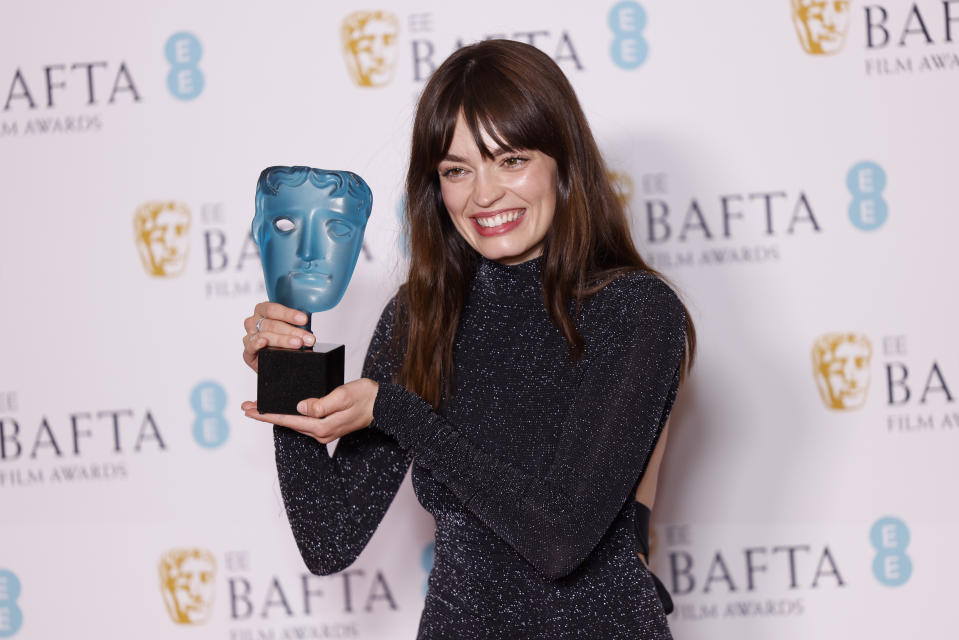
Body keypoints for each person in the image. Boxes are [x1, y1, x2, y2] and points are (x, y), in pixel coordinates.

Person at [241, 39, 695, 639]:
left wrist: (397, 409)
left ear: (563, 163)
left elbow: (558, 538)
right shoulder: (418, 318)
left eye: (510, 160)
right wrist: (285, 365)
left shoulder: (634, 310)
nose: (483, 196)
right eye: (457, 169)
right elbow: (330, 537)